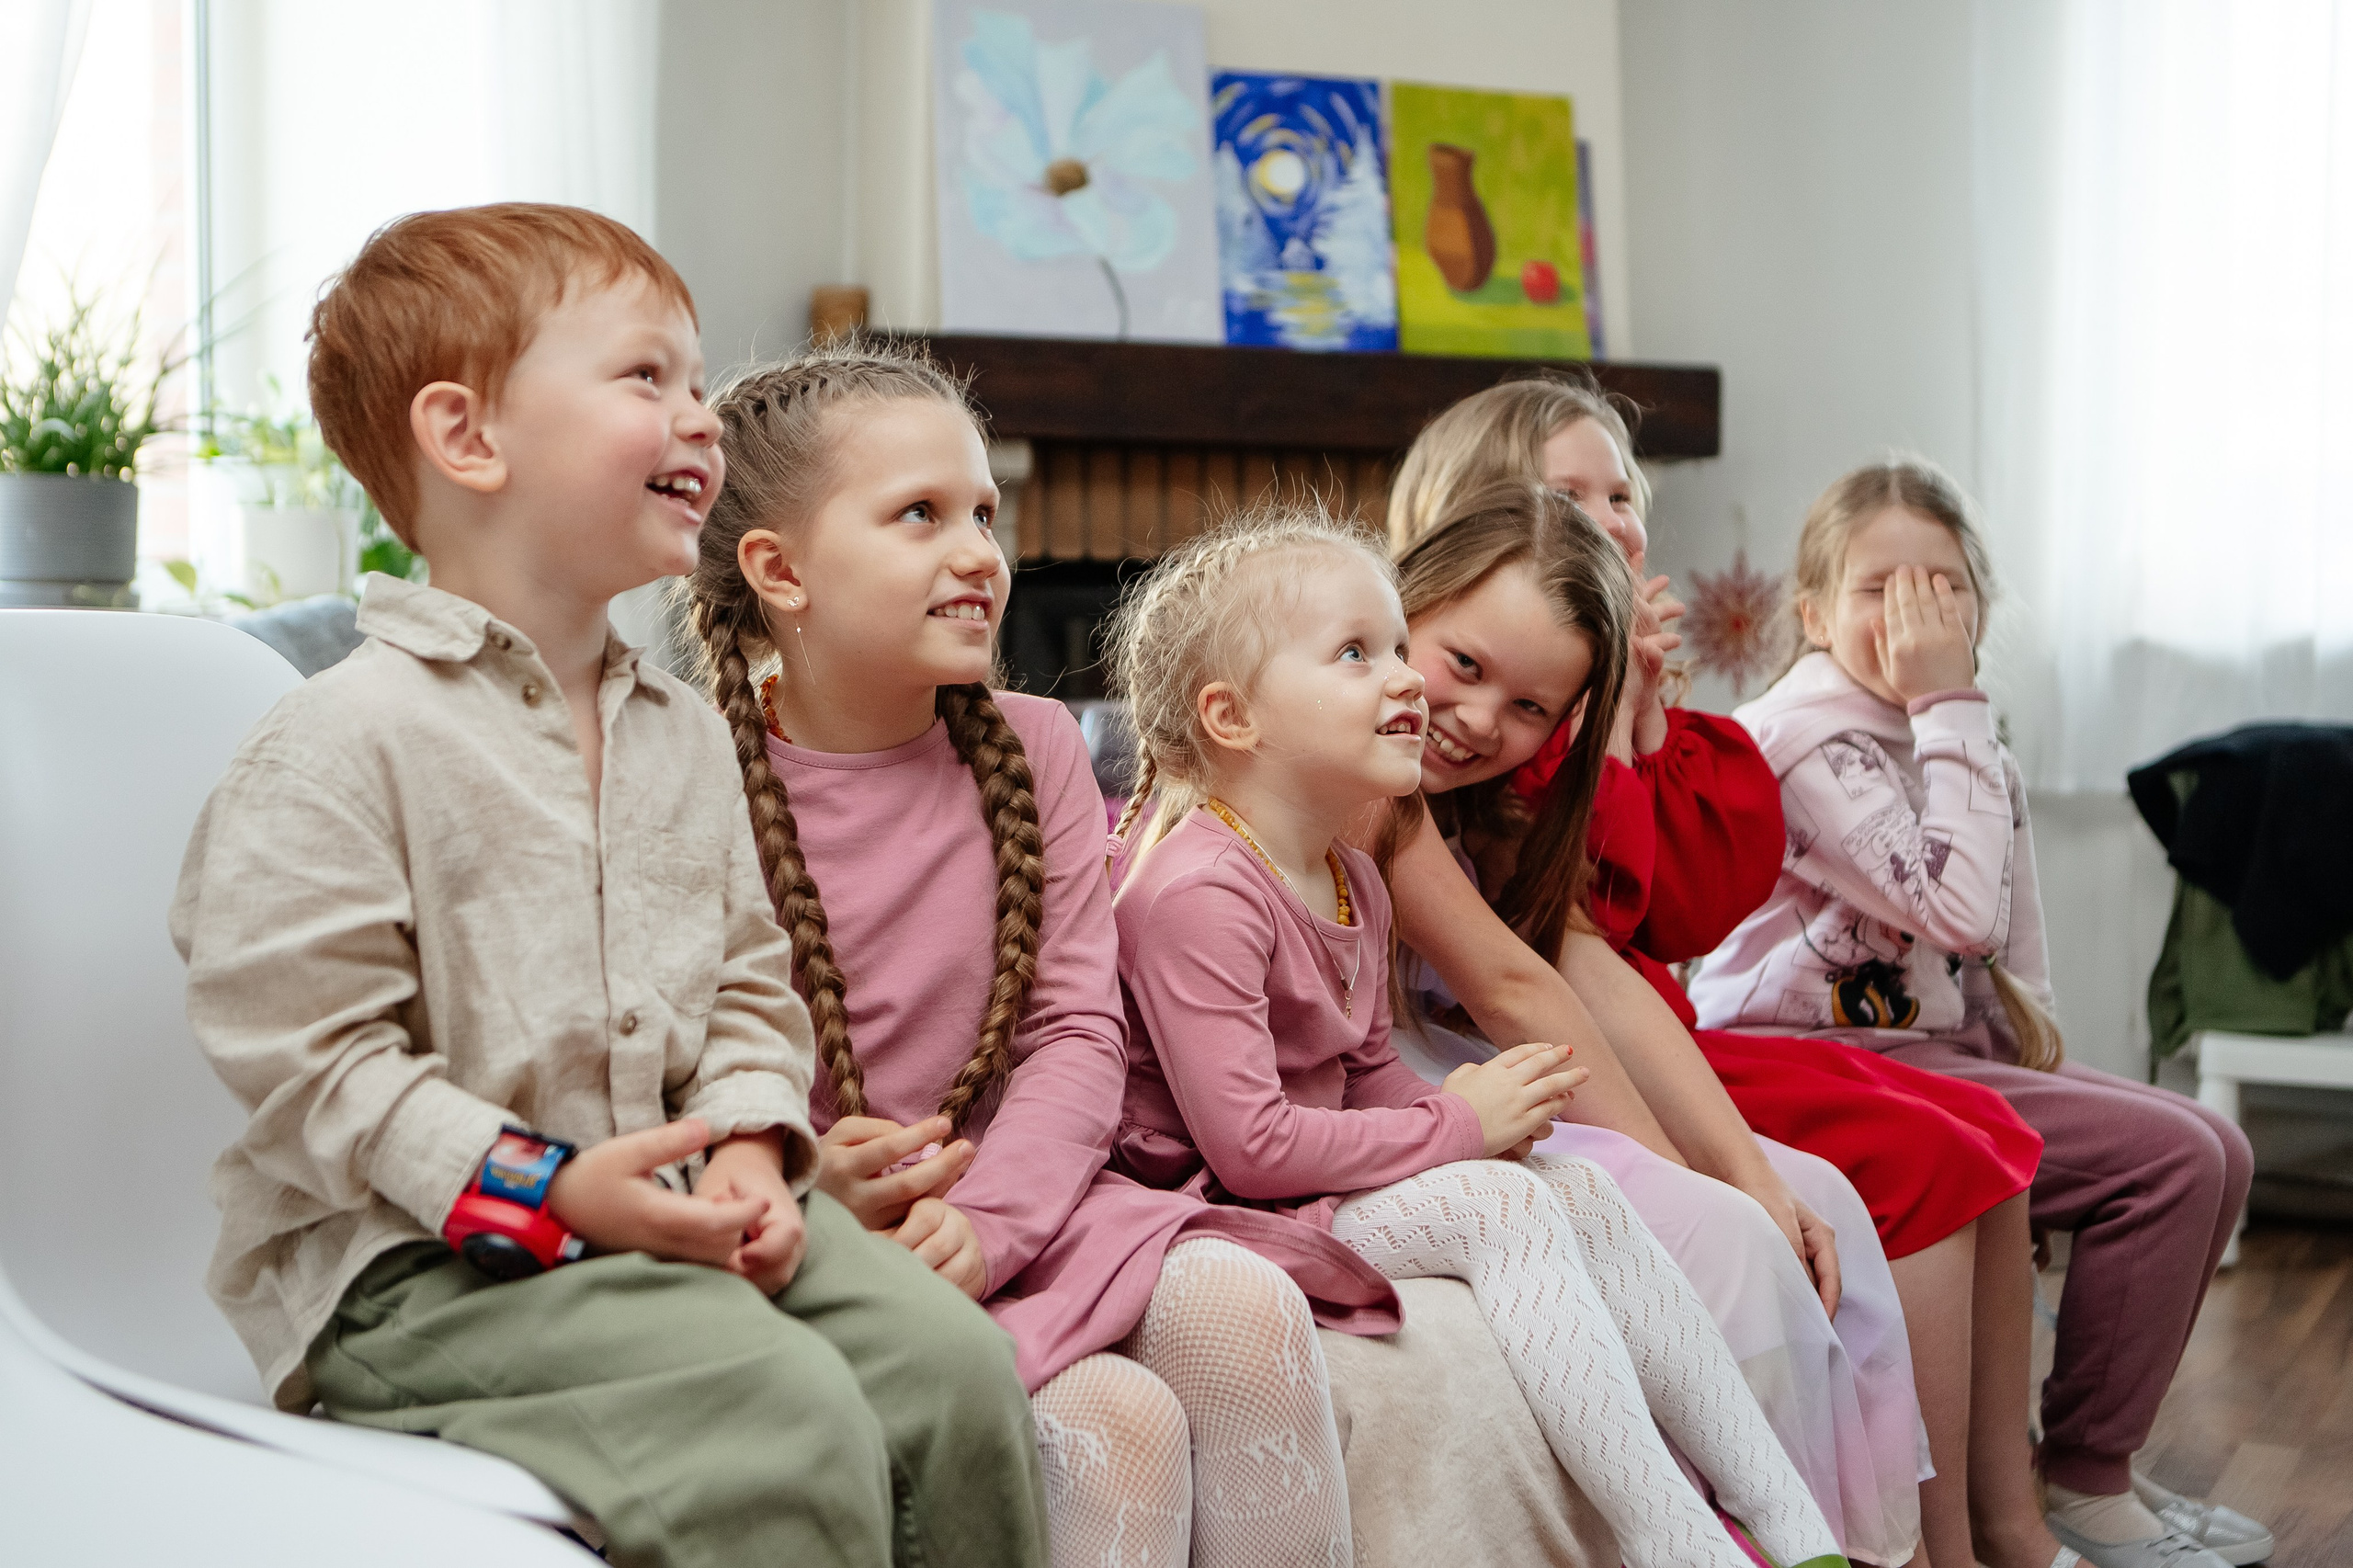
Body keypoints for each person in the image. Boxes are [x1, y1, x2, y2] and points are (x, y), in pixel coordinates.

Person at [170, 205, 1048, 1568]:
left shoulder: (681, 732)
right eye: (648, 378)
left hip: (678, 1216)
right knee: (784, 1419)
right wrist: (560, 1190)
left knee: (956, 1375)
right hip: (417, 1272)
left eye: (698, 382)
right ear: (468, 437)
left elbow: (752, 984)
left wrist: (756, 1144)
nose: (700, 419)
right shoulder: (339, 742)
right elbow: (313, 1068)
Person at [678, 342, 1427, 1568]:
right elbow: (679, 1078)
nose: (980, 550)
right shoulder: (692, 779)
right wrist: (820, 1196)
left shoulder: (1032, 747)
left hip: (1033, 1202)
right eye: (920, 514)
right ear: (781, 570)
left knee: (1241, 1305)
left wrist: (990, 1220)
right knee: (1118, 1424)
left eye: (985, 510)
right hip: (832, 1229)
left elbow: (1078, 1031)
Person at [1389, 377, 2054, 1568]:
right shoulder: (1406, 786)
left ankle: (1910, 1538)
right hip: (1512, 1069)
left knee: (1822, 1197)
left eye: (1622, 494)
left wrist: (1738, 1170)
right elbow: (1536, 984)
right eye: (1567, 495)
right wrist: (1691, 1176)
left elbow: (1626, 940)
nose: (1483, 715)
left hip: (1626, 1040)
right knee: (1769, 1217)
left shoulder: (1529, 757)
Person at [1104, 506, 1850, 1568]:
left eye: (1397, 647)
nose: (1404, 680)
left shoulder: (1349, 871)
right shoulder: (1198, 891)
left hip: (1305, 1183)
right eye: (1357, 654)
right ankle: (1675, 1542)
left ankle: (1785, 1524)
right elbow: (1248, 1150)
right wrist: (1457, 1124)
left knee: (1577, 1187)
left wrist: (1465, 1122)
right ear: (1232, 716)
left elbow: (1364, 1071)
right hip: (1208, 1212)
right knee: (1500, 1203)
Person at [1691, 458, 2268, 1568]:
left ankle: (2094, 1460)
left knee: (2220, 1148)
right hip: (1819, 1052)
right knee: (2171, 1164)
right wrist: (1950, 698)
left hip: (1937, 1041)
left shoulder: (1954, 730)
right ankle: (2087, 1483)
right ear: (1810, 613)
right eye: (1878, 587)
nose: (1913, 611)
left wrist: (2036, 1036)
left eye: (1941, 586)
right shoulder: (1807, 737)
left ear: (1977, 607)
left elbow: (2009, 923)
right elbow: (1950, 905)